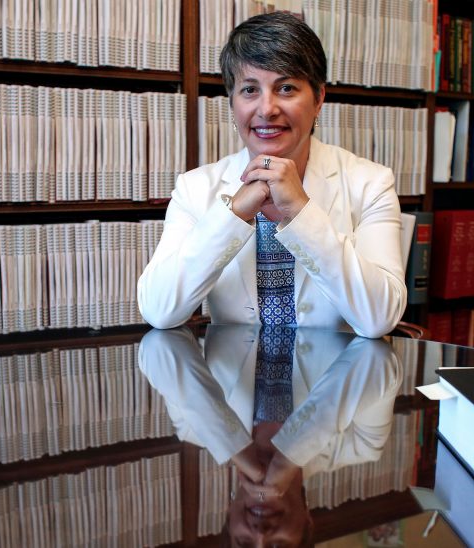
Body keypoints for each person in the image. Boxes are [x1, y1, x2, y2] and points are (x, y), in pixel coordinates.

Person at [137, 12, 406, 337]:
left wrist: (300, 213)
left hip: (336, 379)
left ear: (319, 98)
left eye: (287, 88)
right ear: (232, 103)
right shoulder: (195, 188)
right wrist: (233, 214)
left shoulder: (370, 183)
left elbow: (379, 318)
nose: (267, 109)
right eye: (249, 90)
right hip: (233, 383)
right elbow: (159, 310)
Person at [138, 324, 402, 547]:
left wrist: (233, 445)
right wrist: (290, 454)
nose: (261, 535)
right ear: (308, 525)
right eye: (279, 547)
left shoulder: (193, 429)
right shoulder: (362, 444)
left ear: (228, 517)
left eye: (244, 544)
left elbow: (156, 349)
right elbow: (380, 360)